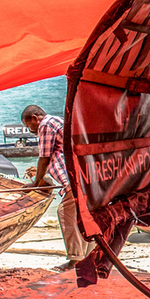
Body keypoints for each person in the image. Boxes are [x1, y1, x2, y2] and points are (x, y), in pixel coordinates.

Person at [22, 105, 89, 267]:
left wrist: (35, 183)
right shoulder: (57, 121)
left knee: (65, 213)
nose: (31, 130)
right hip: (82, 176)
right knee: (84, 216)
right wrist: (39, 174)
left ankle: (75, 258)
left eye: (29, 126)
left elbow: (44, 157)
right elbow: (55, 154)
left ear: (34, 118)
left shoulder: (46, 124)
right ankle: (88, 257)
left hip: (73, 179)